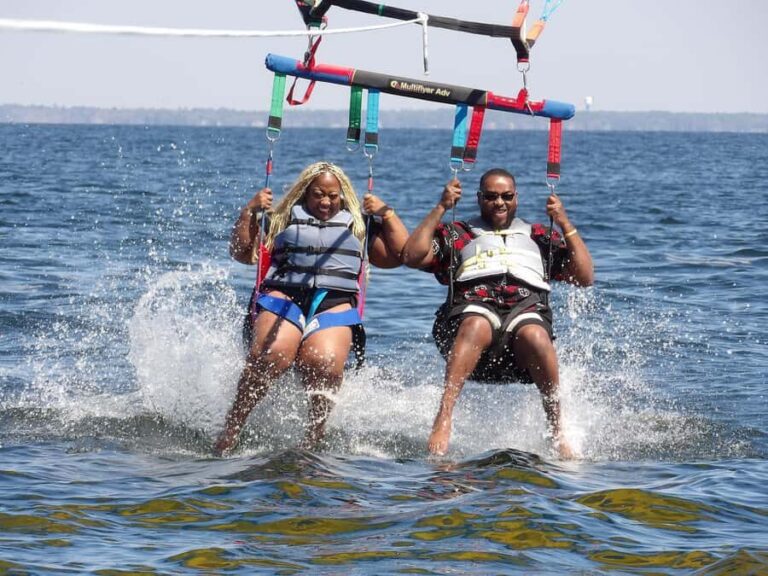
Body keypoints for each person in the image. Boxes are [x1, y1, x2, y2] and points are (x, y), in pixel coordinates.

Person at [214, 161, 408, 455]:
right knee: (273, 353)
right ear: (306, 193)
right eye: (318, 194)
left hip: (333, 302)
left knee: (326, 364)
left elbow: (399, 255)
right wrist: (249, 212)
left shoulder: (360, 224)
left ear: (342, 196)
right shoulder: (281, 219)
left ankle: (313, 438)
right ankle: (231, 428)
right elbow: (242, 254)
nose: (326, 202)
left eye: (332, 195)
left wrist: (387, 214)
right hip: (285, 296)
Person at [401, 168, 594, 458]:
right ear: (479, 198)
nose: (499, 203)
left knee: (536, 336)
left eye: (507, 196)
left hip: (524, 314)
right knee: (478, 323)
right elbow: (412, 256)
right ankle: (443, 417)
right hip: (471, 314)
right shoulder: (458, 232)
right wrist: (441, 207)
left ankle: (557, 427)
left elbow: (585, 277)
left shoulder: (540, 235)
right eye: (491, 197)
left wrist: (565, 222)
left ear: (517, 198)